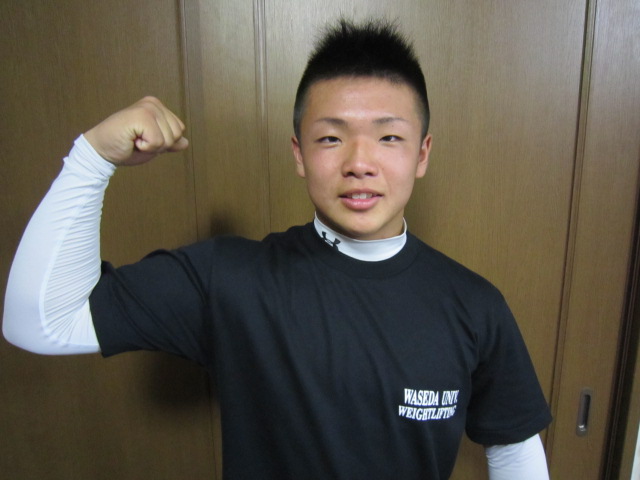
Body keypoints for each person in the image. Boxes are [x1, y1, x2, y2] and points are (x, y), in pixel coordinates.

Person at [3, 19, 551, 479]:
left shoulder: (474, 304)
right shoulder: (231, 278)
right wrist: (93, 157)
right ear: (299, 153)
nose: (360, 162)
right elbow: (42, 322)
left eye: (389, 137)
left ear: (422, 153)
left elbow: (513, 447)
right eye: (331, 137)